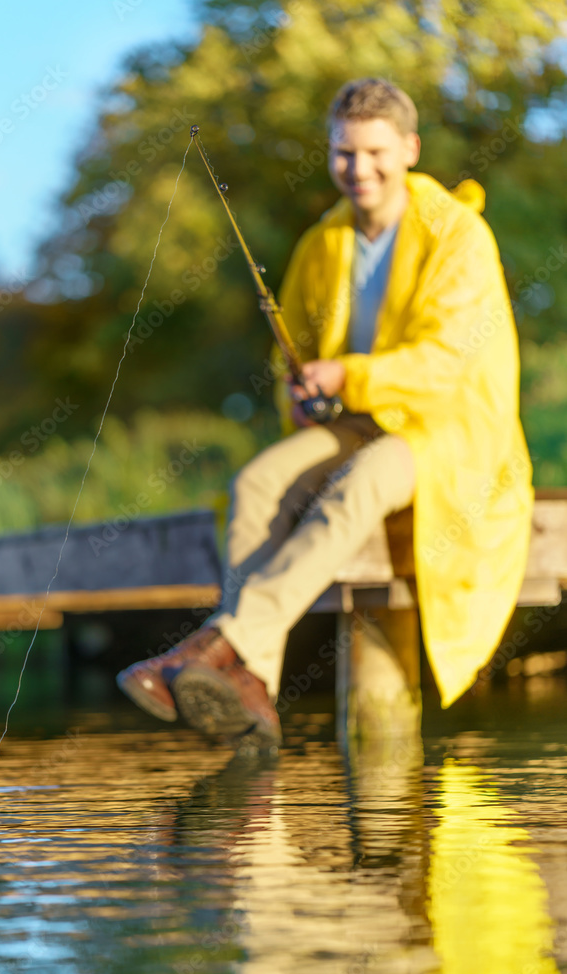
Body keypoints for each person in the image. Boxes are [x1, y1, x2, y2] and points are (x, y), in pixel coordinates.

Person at [116, 78, 534, 746]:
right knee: (255, 483)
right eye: (343, 152)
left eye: (373, 152)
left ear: (408, 148)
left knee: (361, 483)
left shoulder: (459, 235)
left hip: (444, 430)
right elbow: (298, 358)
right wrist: (302, 391)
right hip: (355, 419)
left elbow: (445, 363)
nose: (357, 169)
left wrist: (346, 373)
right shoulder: (323, 242)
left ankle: (221, 649)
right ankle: (252, 692)